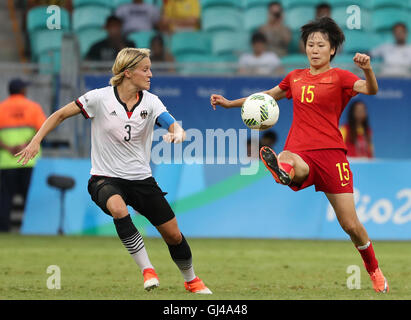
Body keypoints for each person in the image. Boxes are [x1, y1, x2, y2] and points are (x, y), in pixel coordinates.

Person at [211, 17, 389, 293]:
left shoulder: (341, 76)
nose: (314, 49)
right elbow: (265, 97)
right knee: (288, 158)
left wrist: (367, 70)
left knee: (350, 225)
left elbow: (371, 90)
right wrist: (230, 104)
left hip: (332, 155)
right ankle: (283, 171)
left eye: (320, 45)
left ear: (332, 50)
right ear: (304, 48)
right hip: (301, 149)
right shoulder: (294, 77)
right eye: (310, 44)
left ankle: (374, 269)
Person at [16, 48, 212, 294]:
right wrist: (36, 140)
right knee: (118, 208)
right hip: (104, 178)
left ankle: (191, 280)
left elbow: (169, 121)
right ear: (128, 73)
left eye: (150, 68)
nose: (151, 74)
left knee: (173, 235)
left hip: (141, 179)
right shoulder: (99, 98)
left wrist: (177, 132)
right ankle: (147, 270)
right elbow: (60, 114)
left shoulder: (151, 101)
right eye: (145, 69)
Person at [0, 79, 46, 232]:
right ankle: (32, 229)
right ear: (22, 91)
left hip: (6, 161)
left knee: (5, 198)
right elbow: (42, 130)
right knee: (30, 198)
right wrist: (25, 146)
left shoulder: (1, 108)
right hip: (30, 161)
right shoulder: (33, 107)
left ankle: (4, 230)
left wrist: (9, 147)